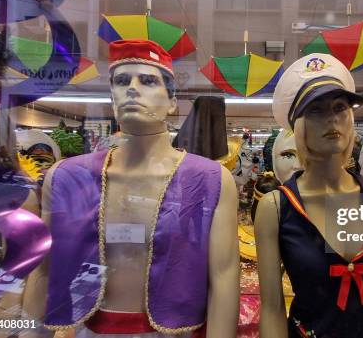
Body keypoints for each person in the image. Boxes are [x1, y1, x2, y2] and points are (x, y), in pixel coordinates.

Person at [22, 39, 240, 338]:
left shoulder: (209, 180)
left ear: (172, 101)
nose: (132, 89)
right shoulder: (67, 178)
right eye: (122, 81)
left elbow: (224, 278)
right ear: (112, 97)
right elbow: (43, 270)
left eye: (148, 80)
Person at [255, 53, 363, 338]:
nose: (332, 119)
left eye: (340, 107)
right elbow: (271, 306)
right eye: (316, 110)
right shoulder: (276, 208)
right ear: (298, 124)